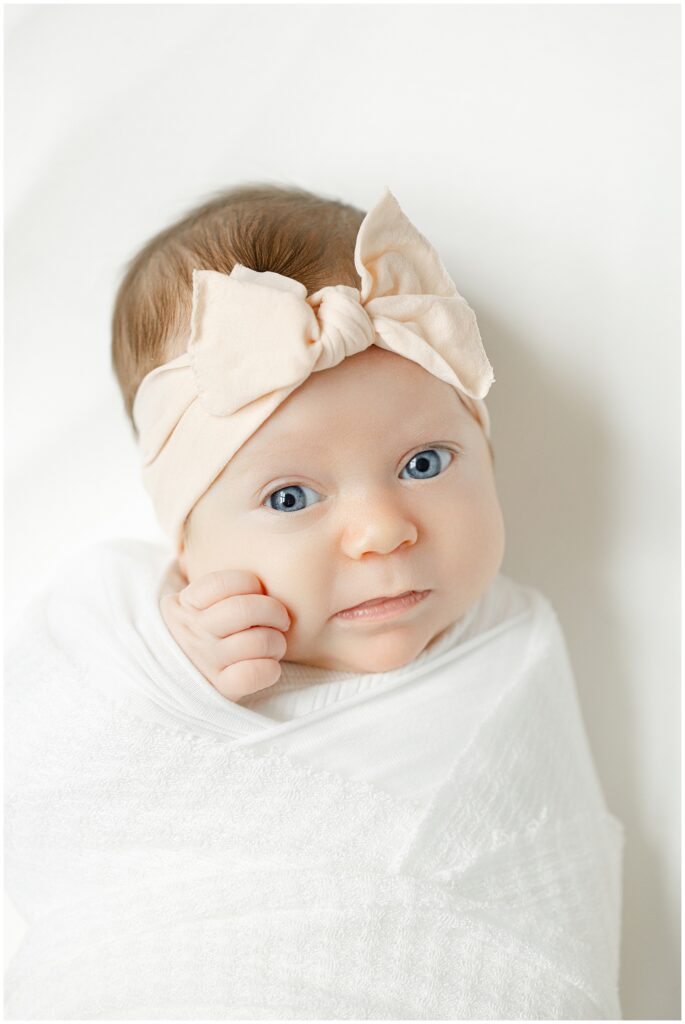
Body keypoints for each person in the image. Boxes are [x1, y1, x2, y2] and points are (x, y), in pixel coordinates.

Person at [4, 184, 625, 1019]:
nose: (380, 532)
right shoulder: (131, 632)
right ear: (188, 543)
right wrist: (169, 672)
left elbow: (548, 888)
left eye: (425, 463)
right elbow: (46, 777)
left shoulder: (508, 645)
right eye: (292, 498)